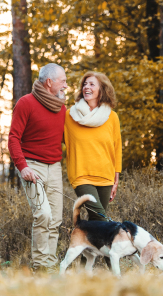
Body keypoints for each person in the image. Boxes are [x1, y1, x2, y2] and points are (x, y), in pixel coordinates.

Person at [8, 63, 67, 272]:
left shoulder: (61, 108)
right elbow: (13, 138)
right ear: (49, 82)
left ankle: (49, 266)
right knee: (43, 214)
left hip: (55, 167)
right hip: (32, 166)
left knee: (56, 219)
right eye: (63, 82)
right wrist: (22, 167)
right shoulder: (26, 103)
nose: (66, 86)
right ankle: (41, 267)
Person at [64, 71, 122, 222]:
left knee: (95, 223)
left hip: (105, 177)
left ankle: (90, 245)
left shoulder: (112, 117)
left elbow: (117, 149)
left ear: (102, 89)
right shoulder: (69, 116)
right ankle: (117, 243)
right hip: (81, 176)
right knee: (100, 218)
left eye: (91, 84)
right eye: (84, 84)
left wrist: (116, 180)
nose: (86, 87)